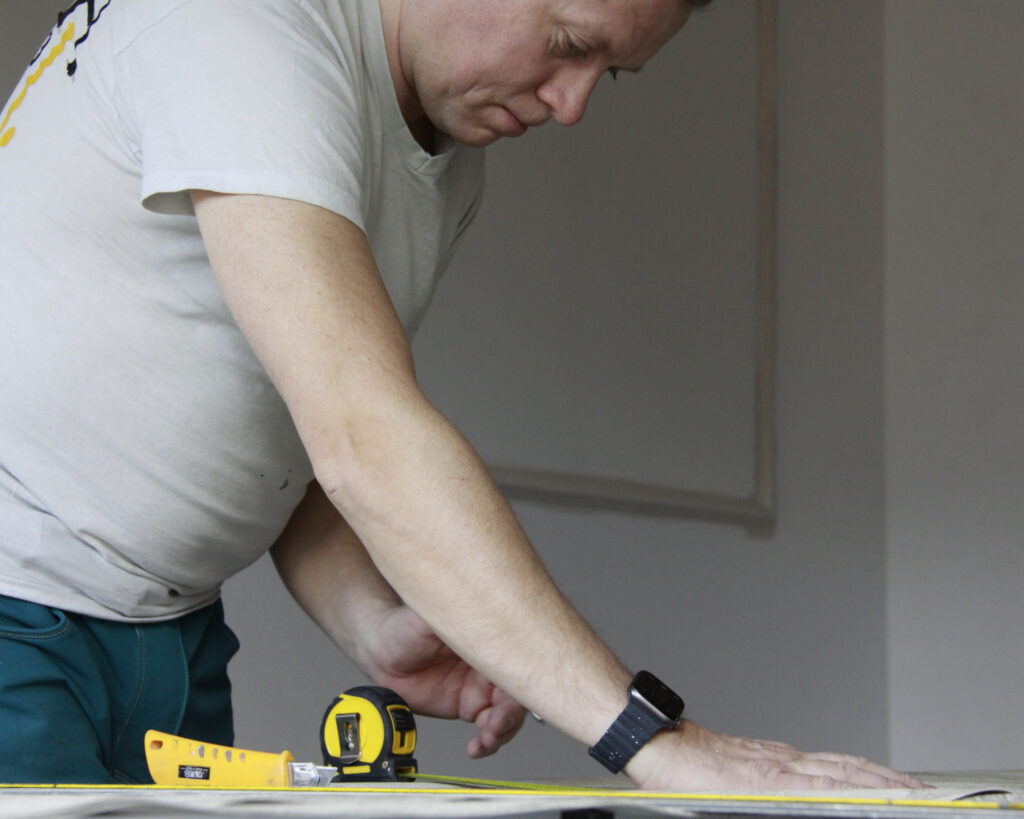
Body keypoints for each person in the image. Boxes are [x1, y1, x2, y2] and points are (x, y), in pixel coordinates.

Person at [0, 0, 924, 791]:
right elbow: (363, 435)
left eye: (609, 72)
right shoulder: (240, 26)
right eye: (568, 43)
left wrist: (373, 620)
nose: (572, 104)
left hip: (171, 633)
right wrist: (655, 740)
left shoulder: (435, 149)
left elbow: (292, 428)